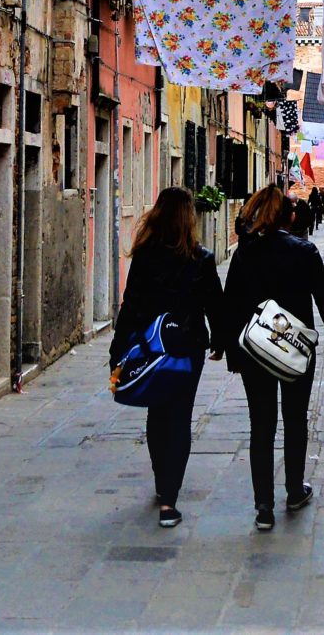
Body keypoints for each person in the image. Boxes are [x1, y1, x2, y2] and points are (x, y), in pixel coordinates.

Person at [218, 185, 324, 532]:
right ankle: (294, 491)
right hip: (295, 351)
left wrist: (230, 352)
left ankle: (263, 507)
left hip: (256, 352)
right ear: (288, 217)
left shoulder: (245, 253)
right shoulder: (304, 252)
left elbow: (230, 305)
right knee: (295, 420)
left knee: (261, 426)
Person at [110, 187, 224, 529]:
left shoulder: (145, 256)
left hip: (151, 348)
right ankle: (168, 501)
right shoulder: (201, 259)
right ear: (189, 219)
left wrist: (117, 350)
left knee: (158, 413)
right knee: (179, 417)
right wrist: (220, 343)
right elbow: (216, 307)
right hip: (187, 349)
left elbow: (130, 306)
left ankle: (163, 485)